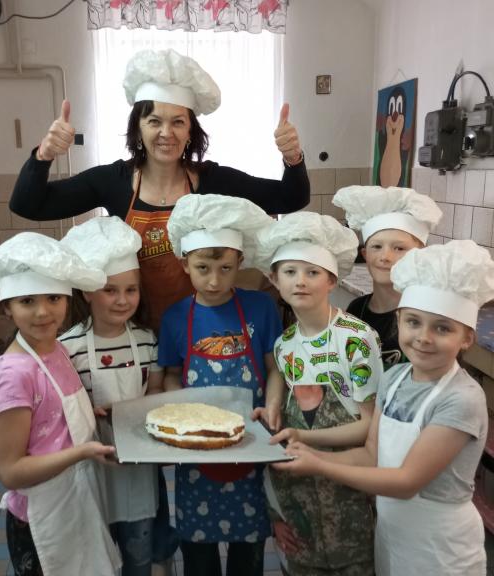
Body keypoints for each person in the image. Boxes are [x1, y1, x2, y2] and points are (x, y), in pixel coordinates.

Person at [9, 48, 310, 332]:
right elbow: (28, 205)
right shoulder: (113, 181)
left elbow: (291, 197)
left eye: (178, 122)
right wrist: (44, 155)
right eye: (154, 121)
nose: (166, 133)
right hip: (134, 331)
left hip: (200, 331)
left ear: (190, 131)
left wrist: (292, 157)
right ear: (138, 129)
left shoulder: (213, 182)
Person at [273, 239, 493, 576]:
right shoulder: (394, 378)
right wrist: (308, 450)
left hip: (440, 549)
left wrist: (318, 464)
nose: (424, 337)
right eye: (413, 322)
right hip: (392, 537)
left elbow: (406, 482)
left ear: (466, 338)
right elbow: (371, 454)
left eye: (442, 328)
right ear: (398, 321)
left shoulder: (461, 398)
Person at [0, 232, 122, 576]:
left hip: (75, 500)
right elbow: (10, 471)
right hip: (39, 519)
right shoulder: (14, 377)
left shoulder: (55, 348)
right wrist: (82, 451)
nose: (43, 312)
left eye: (54, 298)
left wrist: (89, 412)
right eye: (27, 301)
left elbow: (54, 414)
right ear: (6, 306)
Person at [158, 194, 283, 576]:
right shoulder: (175, 317)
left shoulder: (261, 308)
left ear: (240, 262)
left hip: (251, 442)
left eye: (226, 268)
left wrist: (273, 406)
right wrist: (179, 408)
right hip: (198, 449)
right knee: (199, 558)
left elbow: (275, 368)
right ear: (184, 263)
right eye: (203, 268)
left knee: (249, 557)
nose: (214, 280)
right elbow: (172, 373)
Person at [252, 211, 383, 576]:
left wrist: (302, 437)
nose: (300, 281)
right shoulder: (284, 345)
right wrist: (277, 514)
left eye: (313, 272)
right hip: (300, 513)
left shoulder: (356, 339)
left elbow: (369, 427)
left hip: (351, 505)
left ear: (332, 280)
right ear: (274, 279)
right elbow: (282, 384)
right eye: (290, 271)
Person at [59, 216, 165, 576]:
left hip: (138, 464)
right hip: (90, 463)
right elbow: (64, 408)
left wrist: (139, 412)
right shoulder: (67, 347)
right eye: (110, 290)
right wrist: (91, 410)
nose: (122, 300)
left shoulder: (147, 341)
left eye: (131, 290)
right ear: (87, 291)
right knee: (97, 558)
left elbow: (154, 392)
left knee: (139, 557)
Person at [333, 185, 442, 370]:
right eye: (377, 247)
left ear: (420, 255)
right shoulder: (356, 310)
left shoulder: (428, 317)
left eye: (399, 248)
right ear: (365, 254)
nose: (385, 257)